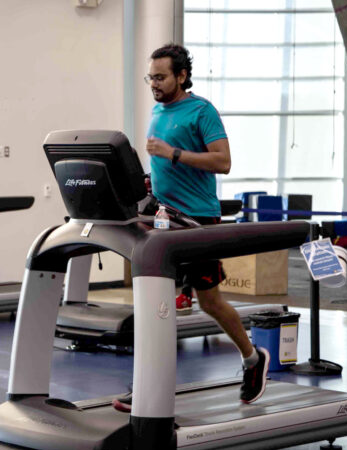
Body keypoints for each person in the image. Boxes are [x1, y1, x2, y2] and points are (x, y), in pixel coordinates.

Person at [113, 44, 270, 411]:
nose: (154, 83)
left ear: (181, 76)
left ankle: (252, 358)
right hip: (165, 219)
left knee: (210, 301)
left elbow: (224, 162)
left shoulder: (202, 111)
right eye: (151, 76)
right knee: (156, 301)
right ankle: (147, 386)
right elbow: (165, 165)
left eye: (161, 77)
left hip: (198, 220)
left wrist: (173, 154)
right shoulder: (158, 110)